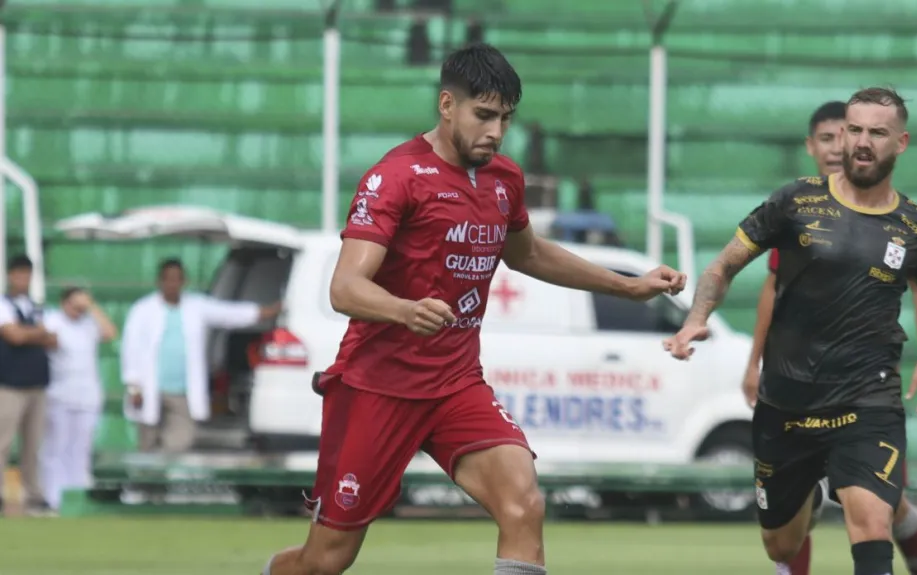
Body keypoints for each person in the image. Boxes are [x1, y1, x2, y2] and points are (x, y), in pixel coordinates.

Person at [262, 43, 686, 575]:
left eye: (505, 118)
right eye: (484, 115)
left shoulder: (504, 179)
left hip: (456, 385)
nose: (496, 131)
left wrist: (627, 286)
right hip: (378, 387)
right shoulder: (395, 177)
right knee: (326, 561)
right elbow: (345, 288)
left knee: (523, 503)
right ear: (446, 105)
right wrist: (405, 310)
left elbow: (529, 253)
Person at [664, 87, 917, 575]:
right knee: (781, 545)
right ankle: (807, 499)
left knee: (871, 523)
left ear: (900, 143)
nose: (861, 142)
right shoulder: (795, 201)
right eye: (853, 130)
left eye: (876, 133)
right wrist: (696, 319)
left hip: (867, 400)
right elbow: (724, 266)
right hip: (787, 402)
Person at [741, 101, 917, 575]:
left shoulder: (897, 219)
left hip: (863, 392)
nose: (839, 148)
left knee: (885, 508)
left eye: (845, 137)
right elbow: (773, 289)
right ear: (811, 147)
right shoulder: (798, 212)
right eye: (828, 139)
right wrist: (755, 362)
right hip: (799, 391)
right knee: (792, 520)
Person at [121, 258, 282, 453]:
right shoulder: (142, 310)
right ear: (160, 281)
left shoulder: (195, 306)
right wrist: (134, 387)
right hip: (149, 389)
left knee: (180, 443)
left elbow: (229, 314)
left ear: (183, 281)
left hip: (182, 392)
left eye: (177, 279)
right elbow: (131, 349)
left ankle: (164, 477)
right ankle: (147, 482)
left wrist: (267, 312)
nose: (173, 284)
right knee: (147, 444)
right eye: (168, 279)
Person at [40, 287, 117, 512]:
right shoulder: (52, 319)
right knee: (56, 448)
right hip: (59, 393)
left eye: (80, 305)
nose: (77, 310)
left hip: (88, 396)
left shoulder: (89, 323)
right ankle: (53, 497)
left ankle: (78, 496)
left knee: (81, 449)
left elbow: (110, 332)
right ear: (63, 303)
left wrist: (91, 306)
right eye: (73, 305)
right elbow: (46, 339)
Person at [0, 254, 58, 516]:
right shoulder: (4, 304)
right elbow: (14, 336)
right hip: (10, 384)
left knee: (33, 445)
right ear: (11, 276)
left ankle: (34, 494)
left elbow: (53, 339)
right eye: (19, 274)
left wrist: (31, 334)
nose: (23, 279)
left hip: (36, 383)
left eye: (27, 274)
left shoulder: (36, 307)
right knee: (3, 442)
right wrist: (38, 333)